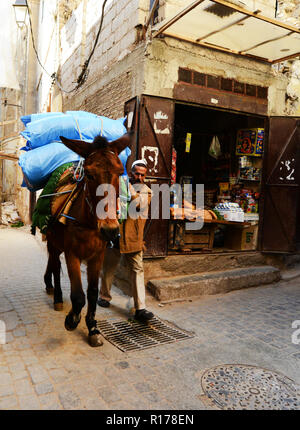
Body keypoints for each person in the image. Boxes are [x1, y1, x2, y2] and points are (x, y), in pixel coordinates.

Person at [97, 159, 154, 323]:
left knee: (137, 270)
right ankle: (104, 297)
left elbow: (139, 205)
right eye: (137, 173)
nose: (140, 177)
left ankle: (140, 308)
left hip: (133, 238)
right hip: (115, 235)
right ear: (131, 173)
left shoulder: (147, 191)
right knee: (108, 268)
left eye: (143, 175)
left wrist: (130, 192)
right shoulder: (119, 186)